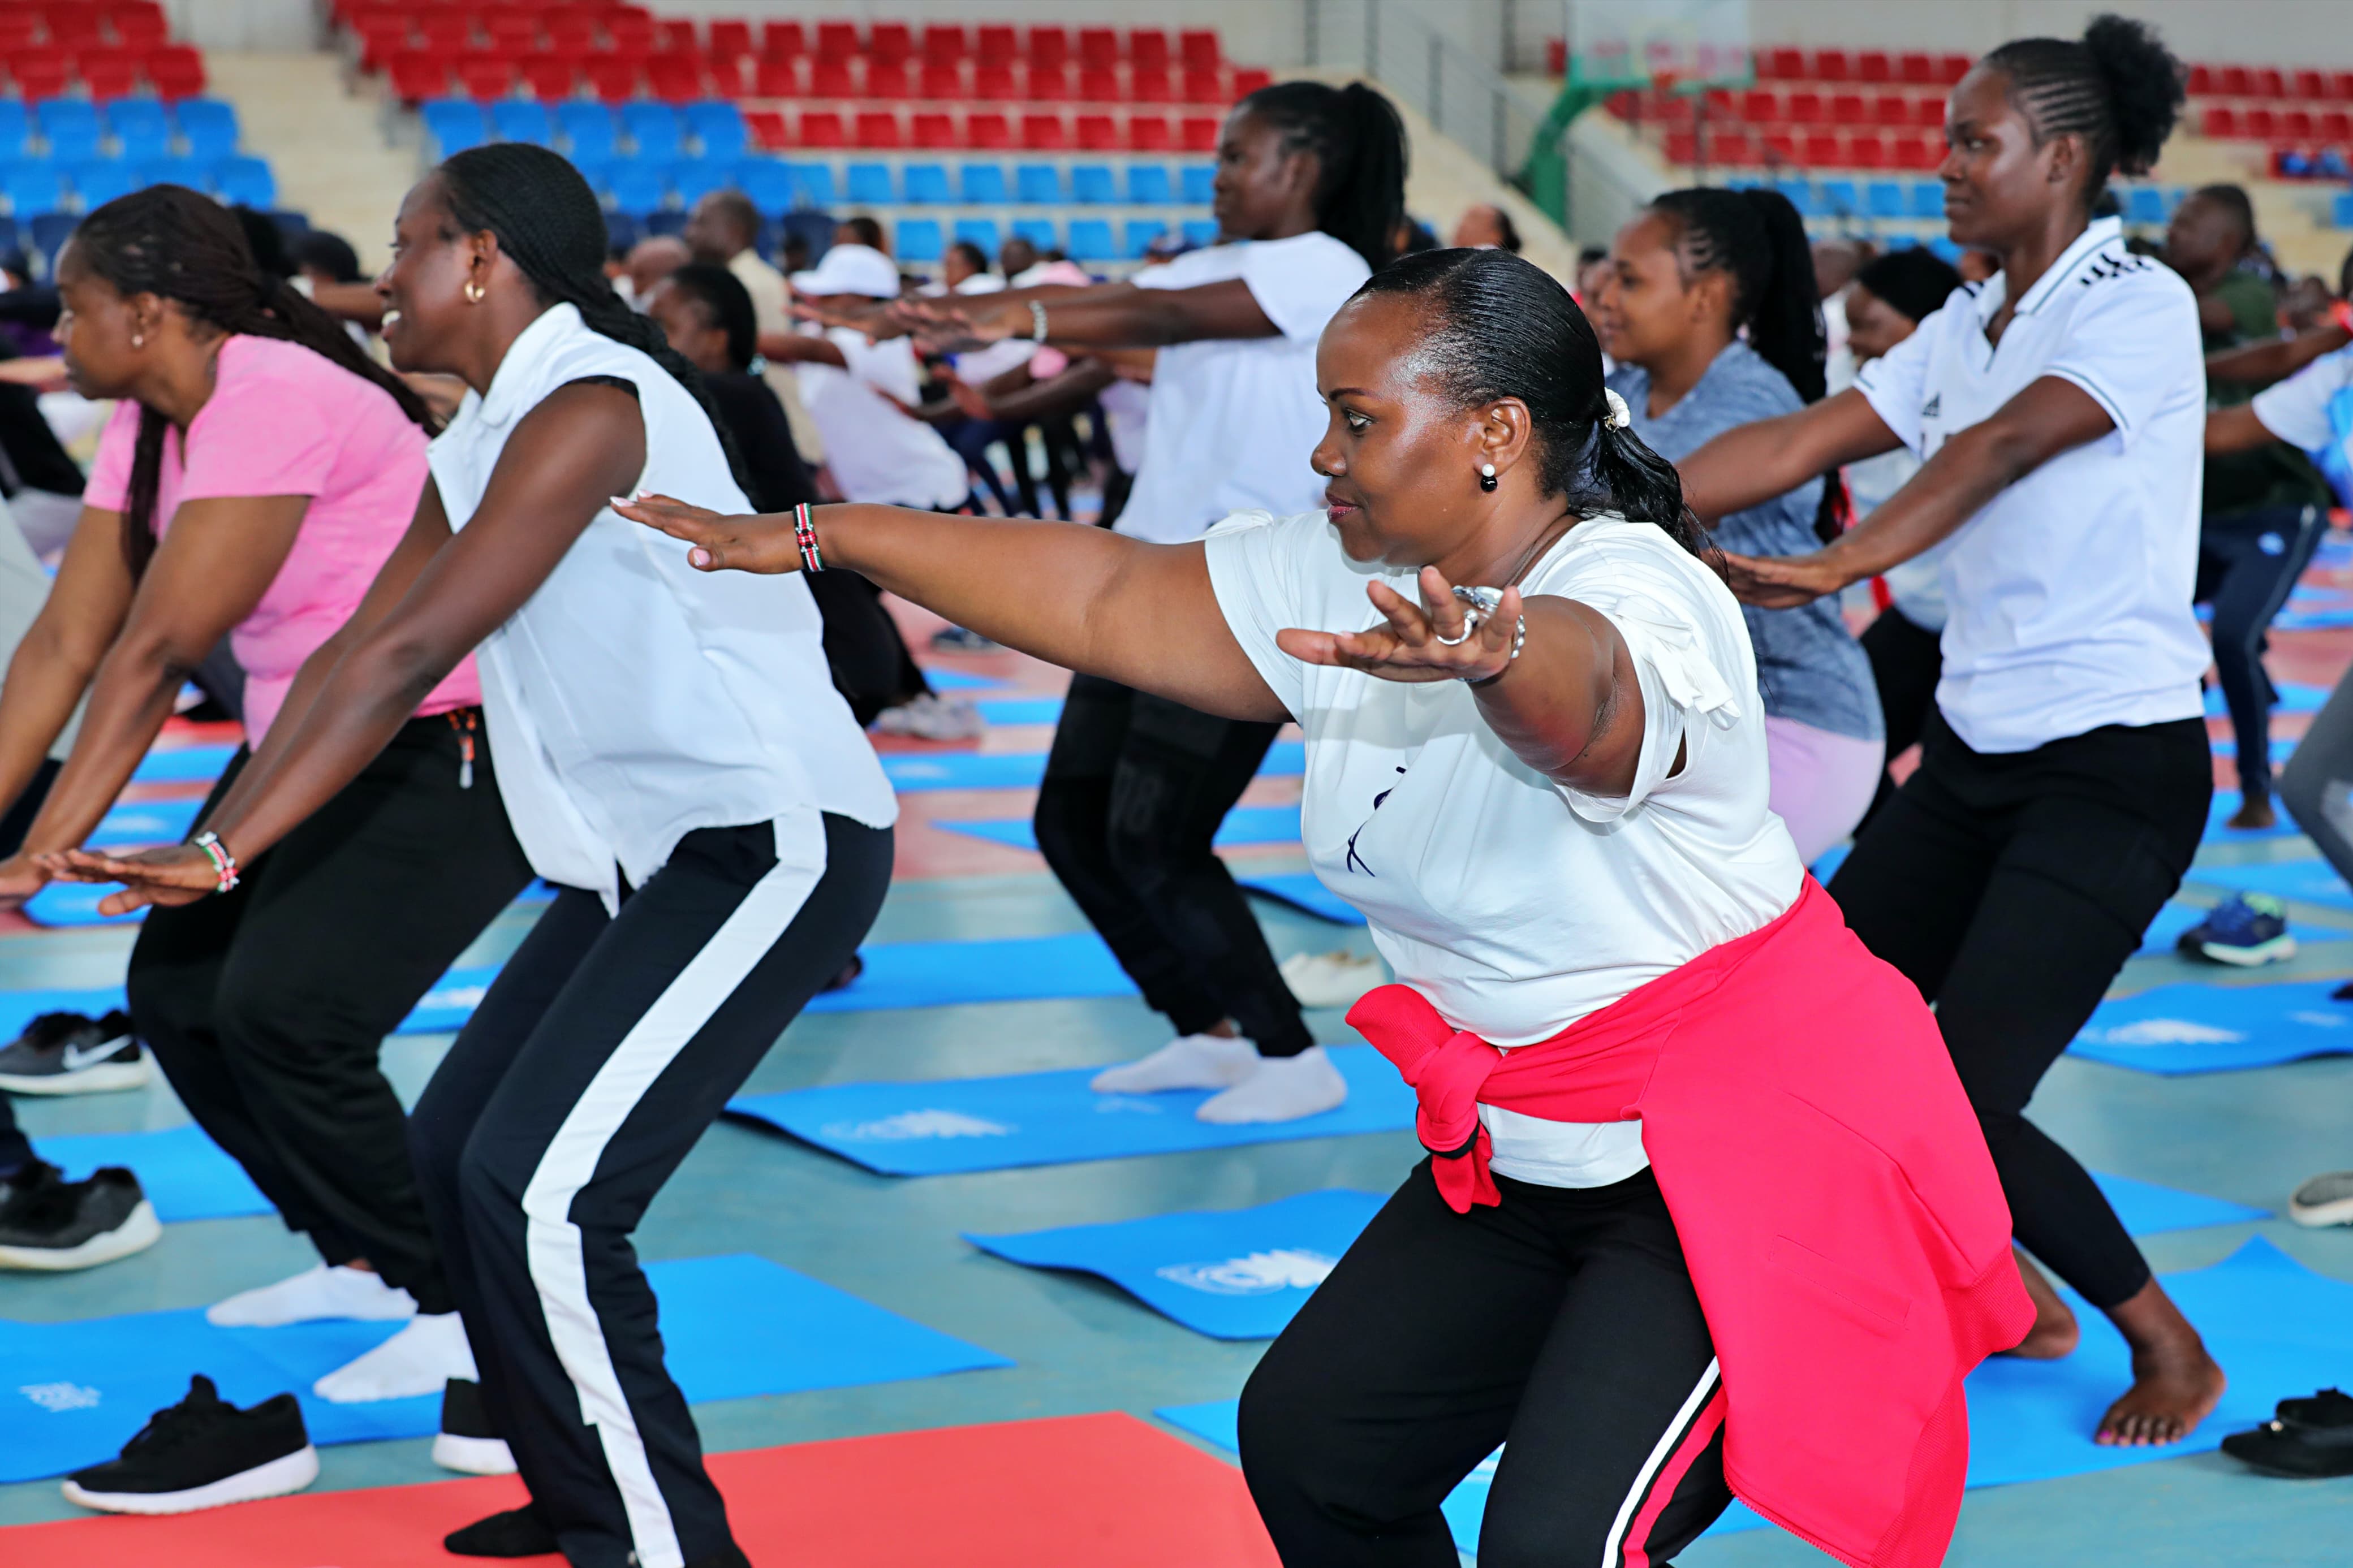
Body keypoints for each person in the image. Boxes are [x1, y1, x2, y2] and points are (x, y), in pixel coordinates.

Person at [614, 243, 2029, 1568]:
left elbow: (1593, 711)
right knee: (1318, 1445)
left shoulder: (1636, 591)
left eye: (1356, 420)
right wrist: (825, 534)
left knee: (1559, 1548)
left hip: (1731, 1147)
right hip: (1528, 1142)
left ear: (1493, 434)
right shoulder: (1341, 563)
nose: (1322, 454)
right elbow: (1113, 593)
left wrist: (1497, 660)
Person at [52, 145, 897, 1562]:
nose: (388, 278)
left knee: (551, 1194)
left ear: (485, 258)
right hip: (644, 860)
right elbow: (346, 656)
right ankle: (569, 1482)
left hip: (772, 841)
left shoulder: (593, 405)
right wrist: (221, 847)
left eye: (410, 246)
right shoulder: (481, 433)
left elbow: (410, 652)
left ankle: (653, 1543)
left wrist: (233, 846)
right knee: (457, 1151)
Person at [1669, 15, 2228, 1446]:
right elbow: (1798, 443)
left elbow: (2001, 449)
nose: (1944, 167)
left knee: (1964, 1091)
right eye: (1944, 141)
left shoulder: (2132, 300)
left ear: (2065, 158)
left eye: (1973, 142)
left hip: (2113, 768)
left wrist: (1840, 570)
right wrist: (1604, 509)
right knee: (1817, 1018)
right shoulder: (1967, 319)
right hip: (1975, 762)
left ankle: (2167, 1342)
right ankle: (2018, 1293)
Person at [0, 187, 534, 1377]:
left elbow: (154, 651)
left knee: (290, 1014)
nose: (59, 338)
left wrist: (43, 848)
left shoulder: (271, 392)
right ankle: (368, 1262)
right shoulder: (153, 417)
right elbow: (63, 643)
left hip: (443, 739)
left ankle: (463, 1316)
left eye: (75, 312)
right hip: (311, 741)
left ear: (145, 314)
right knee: (183, 1002)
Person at [861, 80, 1411, 1121]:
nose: (1218, 175)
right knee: (1069, 822)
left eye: (1238, 157)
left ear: (1299, 168)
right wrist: (937, 324)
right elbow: (1131, 329)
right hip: (1148, 581)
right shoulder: (1218, 266)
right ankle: (1204, 1031)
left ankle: (1293, 1055)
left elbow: (1153, 312)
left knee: (1159, 837)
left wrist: (1006, 310)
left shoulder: (1326, 270)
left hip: (1236, 601)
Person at [1588, 187, 1885, 863]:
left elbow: (1614, 517)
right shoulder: (1624, 391)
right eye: (1607, 272)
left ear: (1705, 295)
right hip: (1694, 723)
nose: (1604, 293)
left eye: (1628, 279)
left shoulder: (1747, 401)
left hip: (1792, 722)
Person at [644, 262, 944, 738]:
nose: (649, 339)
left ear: (717, 338)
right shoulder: (739, 391)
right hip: (829, 624)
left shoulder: (722, 394)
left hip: (826, 636)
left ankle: (913, 692)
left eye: (664, 326)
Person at [2167, 185, 2333, 831]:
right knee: (2153, 627)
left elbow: (2217, 332)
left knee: (2233, 635)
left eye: (2189, 223)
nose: (2174, 230)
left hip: (2275, 509)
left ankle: (2255, 790)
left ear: (2226, 245)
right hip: (2206, 517)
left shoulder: (2242, 295)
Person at [1844, 247, 1966, 828]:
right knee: (1840, 745)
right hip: (1918, 618)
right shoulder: (1856, 389)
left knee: (1957, 784)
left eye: (1869, 328)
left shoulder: (1972, 408)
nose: (1855, 344)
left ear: (1928, 329)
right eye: (1849, 329)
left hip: (1974, 630)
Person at [680, 189, 825, 466]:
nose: (690, 233)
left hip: (772, 436)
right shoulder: (745, 277)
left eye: (701, 223)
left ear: (733, 230)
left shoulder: (747, 283)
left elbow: (748, 352)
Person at [1449, 202, 1520, 252]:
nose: (1463, 224)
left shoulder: (1485, 265)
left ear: (1494, 235)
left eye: (1474, 218)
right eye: (1466, 217)